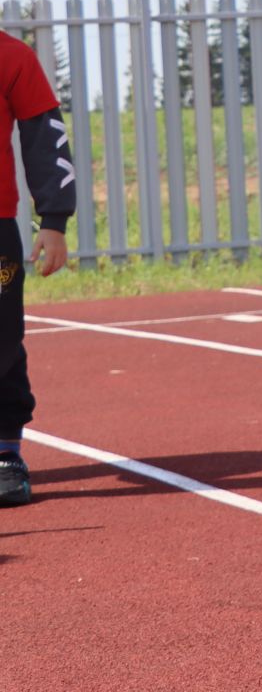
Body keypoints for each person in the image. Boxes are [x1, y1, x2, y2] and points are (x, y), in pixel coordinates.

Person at [1, 30, 74, 507]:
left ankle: (6, 451)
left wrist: (54, 219)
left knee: (2, 338)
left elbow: (45, 135)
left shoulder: (11, 55)